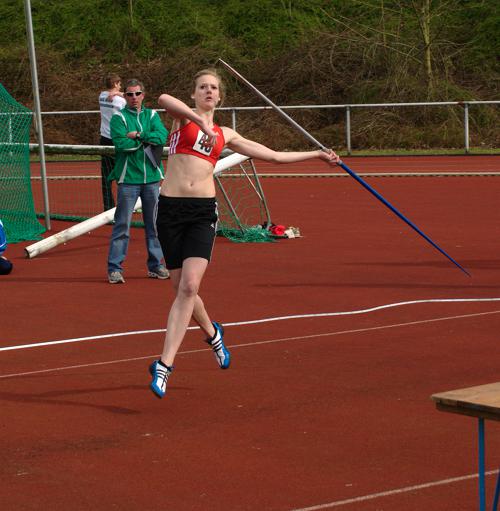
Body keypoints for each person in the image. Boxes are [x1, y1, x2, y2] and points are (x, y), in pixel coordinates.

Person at [149, 68, 340, 398]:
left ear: (220, 96)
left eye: (213, 88)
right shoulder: (182, 121)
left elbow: (275, 156)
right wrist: (202, 122)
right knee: (182, 289)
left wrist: (318, 155)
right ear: (194, 94)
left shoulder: (226, 134)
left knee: (190, 286)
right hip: (169, 211)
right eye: (202, 87)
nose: (208, 91)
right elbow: (164, 99)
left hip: (201, 213)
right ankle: (213, 333)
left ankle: (164, 366)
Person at [107, 78, 169, 284]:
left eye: (137, 93)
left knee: (154, 225)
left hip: (152, 179)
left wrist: (139, 135)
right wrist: (144, 140)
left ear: (143, 95)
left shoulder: (152, 115)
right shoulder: (119, 118)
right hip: (128, 180)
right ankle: (114, 268)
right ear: (124, 96)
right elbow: (121, 143)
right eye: (129, 94)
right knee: (122, 225)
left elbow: (161, 137)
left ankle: (155, 265)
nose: (134, 98)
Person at [99, 74, 126, 211]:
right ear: (115, 83)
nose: (120, 86)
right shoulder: (120, 101)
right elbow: (132, 102)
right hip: (117, 139)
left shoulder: (101, 95)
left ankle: (108, 206)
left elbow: (119, 94)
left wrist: (116, 92)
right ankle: (127, 204)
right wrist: (118, 94)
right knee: (124, 173)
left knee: (106, 175)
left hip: (104, 139)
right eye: (119, 83)